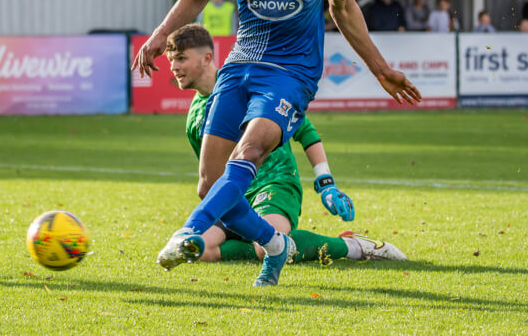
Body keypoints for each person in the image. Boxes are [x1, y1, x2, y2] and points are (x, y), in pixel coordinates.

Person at [132, 0, 421, 287]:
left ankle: (188, 232)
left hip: (291, 73)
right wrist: (161, 33)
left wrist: (379, 68)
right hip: (240, 67)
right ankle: (275, 244)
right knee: (209, 186)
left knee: (248, 150)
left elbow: (344, 8)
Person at [165, 23, 406, 264]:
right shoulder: (194, 117)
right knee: (199, 250)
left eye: (181, 58)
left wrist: (326, 182)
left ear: (207, 57)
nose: (173, 67)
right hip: (237, 195)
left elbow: (306, 131)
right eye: (170, 60)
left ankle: (352, 247)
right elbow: (211, 177)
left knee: (267, 246)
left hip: (275, 182)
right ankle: (260, 242)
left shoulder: (245, 86)